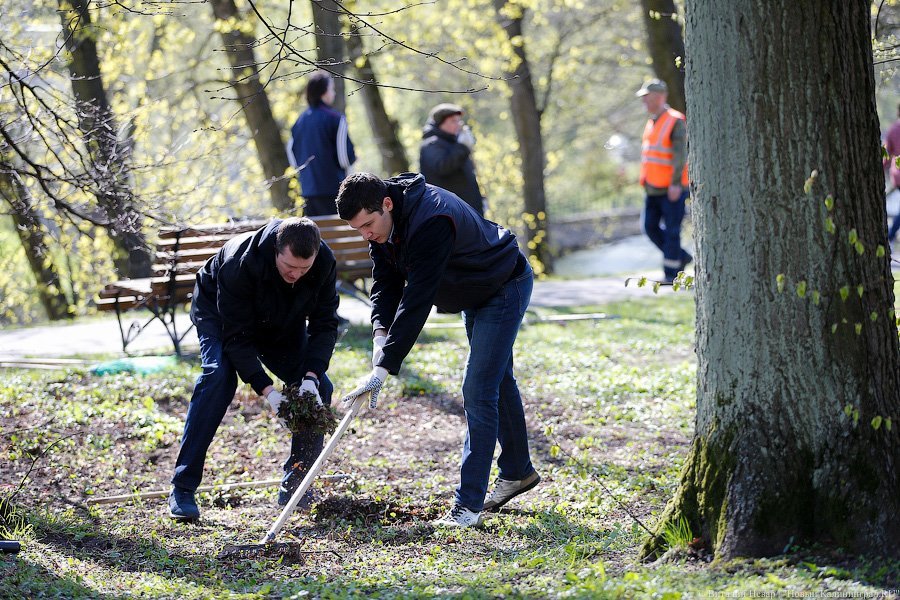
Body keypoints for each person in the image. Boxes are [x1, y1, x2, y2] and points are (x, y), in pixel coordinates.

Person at [335, 172, 540, 528]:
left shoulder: (433, 219)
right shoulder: (382, 224)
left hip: (503, 284)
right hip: (472, 290)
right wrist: (380, 337)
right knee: (495, 379)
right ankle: (518, 472)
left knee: (478, 389)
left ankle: (467, 507)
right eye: (358, 229)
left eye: (368, 225)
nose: (366, 234)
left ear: (387, 204)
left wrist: (384, 367)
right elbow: (385, 283)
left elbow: (417, 298)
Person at [168, 217, 340, 521]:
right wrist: (268, 391)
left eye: (304, 269)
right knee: (218, 378)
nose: (296, 275)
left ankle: (297, 484)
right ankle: (182, 488)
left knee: (321, 388)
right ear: (275, 250)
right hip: (220, 315)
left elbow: (325, 324)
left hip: (280, 317)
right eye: (290, 267)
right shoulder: (239, 262)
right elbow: (237, 338)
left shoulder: (324, 262)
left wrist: (310, 377)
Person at [636, 78, 692, 283]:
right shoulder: (652, 122)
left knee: (672, 231)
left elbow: (680, 156)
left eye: (647, 97)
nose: (644, 101)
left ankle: (671, 275)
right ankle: (681, 257)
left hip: (671, 188)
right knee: (649, 228)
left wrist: (675, 184)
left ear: (660, 97)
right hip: (652, 188)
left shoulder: (675, 121)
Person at [288, 71, 356, 216]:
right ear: (324, 92)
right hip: (334, 191)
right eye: (331, 89)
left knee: (315, 230)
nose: (334, 93)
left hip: (308, 192)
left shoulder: (299, 122)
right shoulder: (336, 118)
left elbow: (293, 159)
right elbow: (344, 159)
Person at [419, 103, 485, 215]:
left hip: (466, 209)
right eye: (453, 121)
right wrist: (463, 147)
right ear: (440, 123)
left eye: (459, 121)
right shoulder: (431, 144)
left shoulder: (453, 143)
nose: (458, 125)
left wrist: (480, 201)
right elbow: (443, 167)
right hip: (449, 212)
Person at [884, 103, 900, 242]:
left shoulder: (893, 129)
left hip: (897, 174)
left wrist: (881, 168)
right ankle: (891, 234)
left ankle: (891, 234)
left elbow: (887, 154)